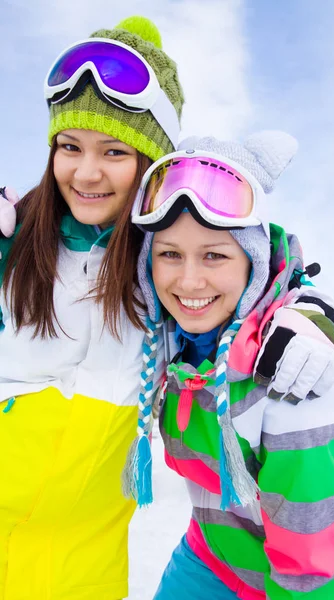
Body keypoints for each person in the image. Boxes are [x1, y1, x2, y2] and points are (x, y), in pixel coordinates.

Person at [131, 133, 334, 600]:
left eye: (214, 255)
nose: (189, 280)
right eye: (169, 254)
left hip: (321, 579)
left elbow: (308, 562)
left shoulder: (294, 384)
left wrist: (315, 314)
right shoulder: (170, 341)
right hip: (215, 556)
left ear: (253, 264)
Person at [0, 15, 184, 600]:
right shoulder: (15, 238)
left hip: (85, 565)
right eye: (70, 146)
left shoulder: (172, 262)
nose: (86, 172)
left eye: (114, 152)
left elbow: (268, 265)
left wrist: (307, 318)